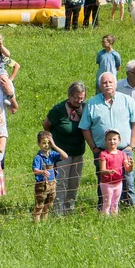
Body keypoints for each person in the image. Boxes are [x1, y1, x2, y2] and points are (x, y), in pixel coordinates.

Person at [80, 72, 135, 209]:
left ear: (115, 84)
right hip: (103, 152)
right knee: (104, 180)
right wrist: (94, 148)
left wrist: (131, 146)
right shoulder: (92, 104)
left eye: (110, 82)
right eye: (104, 83)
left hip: (124, 150)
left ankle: (128, 208)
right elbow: (85, 127)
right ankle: (103, 209)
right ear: (100, 86)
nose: (108, 85)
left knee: (128, 179)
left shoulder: (127, 101)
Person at [43, 82, 87, 215]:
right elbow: (46, 124)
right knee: (61, 181)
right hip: (62, 153)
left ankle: (69, 210)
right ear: (69, 95)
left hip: (78, 152)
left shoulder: (85, 108)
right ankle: (57, 211)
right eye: (76, 98)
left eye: (81, 97)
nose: (79, 100)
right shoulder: (59, 110)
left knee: (74, 182)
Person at [31, 131, 68, 223]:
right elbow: (35, 170)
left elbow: (65, 156)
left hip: (52, 184)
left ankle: (45, 221)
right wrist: (42, 171)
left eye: (48, 143)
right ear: (38, 143)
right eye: (43, 143)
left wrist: (54, 146)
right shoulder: (38, 157)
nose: (46, 145)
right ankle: (37, 223)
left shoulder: (52, 155)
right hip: (42, 185)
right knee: (39, 205)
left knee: (48, 204)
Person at [97, 129, 132, 215]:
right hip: (106, 183)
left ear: (119, 140)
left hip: (118, 183)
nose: (112, 141)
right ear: (106, 141)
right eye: (109, 139)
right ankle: (105, 219)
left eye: (114, 139)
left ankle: (114, 219)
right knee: (107, 203)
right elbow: (102, 170)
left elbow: (128, 169)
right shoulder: (103, 154)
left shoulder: (122, 154)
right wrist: (108, 172)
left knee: (115, 203)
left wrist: (131, 166)